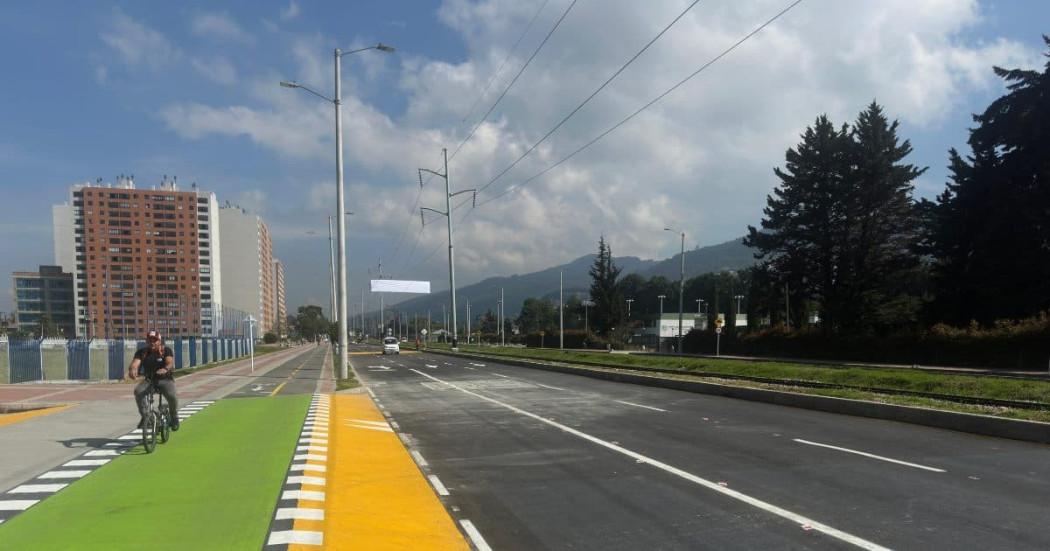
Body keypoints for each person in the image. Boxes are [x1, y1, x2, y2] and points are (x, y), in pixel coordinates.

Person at [129, 330, 179, 431]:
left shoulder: (166, 350)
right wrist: (132, 369)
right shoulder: (142, 352)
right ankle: (146, 416)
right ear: (147, 341)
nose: (152, 342)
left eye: (155, 340)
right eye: (150, 340)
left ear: (159, 341)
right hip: (150, 380)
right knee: (138, 391)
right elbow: (135, 363)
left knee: (172, 396)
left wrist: (165, 369)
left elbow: (170, 362)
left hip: (165, 379)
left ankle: (174, 416)